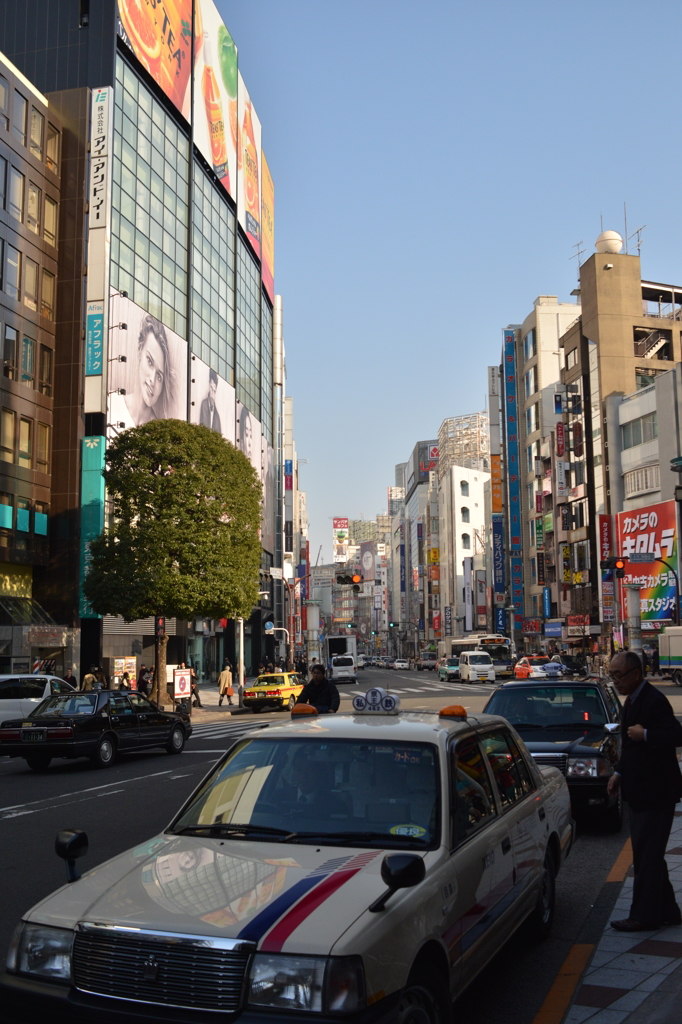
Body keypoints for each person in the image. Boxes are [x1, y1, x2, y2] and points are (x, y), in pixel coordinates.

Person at [607, 650, 682, 931]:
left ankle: (643, 916)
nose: (614, 680)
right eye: (611, 674)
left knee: (647, 857)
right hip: (640, 789)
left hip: (655, 791)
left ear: (636, 674)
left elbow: (676, 735)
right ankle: (669, 911)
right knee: (649, 854)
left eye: (618, 675)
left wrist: (646, 734)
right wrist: (617, 774)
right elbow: (629, 747)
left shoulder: (654, 700)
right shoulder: (631, 701)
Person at [109, 313, 177, 429]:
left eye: (159, 376)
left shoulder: (161, 435)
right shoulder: (109, 402)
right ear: (140, 351)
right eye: (150, 362)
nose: (152, 379)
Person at [199, 368, 222, 432]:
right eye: (211, 388)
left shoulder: (217, 416)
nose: (212, 394)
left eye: (214, 391)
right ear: (209, 385)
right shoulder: (204, 404)